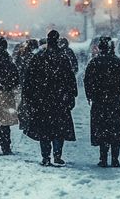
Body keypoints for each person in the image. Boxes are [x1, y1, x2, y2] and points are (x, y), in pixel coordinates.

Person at [22, 29, 78, 166]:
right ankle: (57, 155)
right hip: (59, 99)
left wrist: (29, 96)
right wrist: (71, 95)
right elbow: (70, 78)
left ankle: (46, 156)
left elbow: (29, 79)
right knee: (59, 129)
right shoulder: (63, 57)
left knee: (44, 130)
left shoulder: (39, 57)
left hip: (42, 100)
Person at [84, 37, 120, 167]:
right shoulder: (119, 62)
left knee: (102, 129)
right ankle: (115, 159)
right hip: (114, 99)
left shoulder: (94, 63)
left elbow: (87, 81)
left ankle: (103, 158)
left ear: (99, 48)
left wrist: (91, 95)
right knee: (115, 129)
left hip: (99, 100)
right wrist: (118, 87)